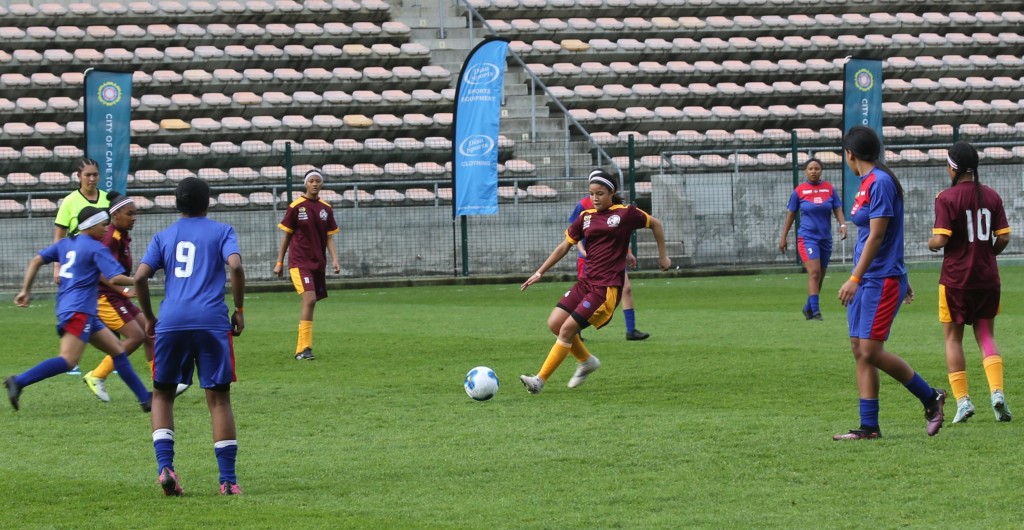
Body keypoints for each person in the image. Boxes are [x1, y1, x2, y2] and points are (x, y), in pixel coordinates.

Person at [134, 177, 246, 496]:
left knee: (163, 395)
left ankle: (165, 467)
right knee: (219, 399)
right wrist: (238, 308)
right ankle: (227, 481)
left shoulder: (163, 236)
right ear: (207, 203)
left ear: (176, 203)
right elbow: (235, 267)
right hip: (211, 321)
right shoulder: (222, 231)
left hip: (171, 321)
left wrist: (150, 317)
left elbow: (141, 277)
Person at [834, 125, 946, 440]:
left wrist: (856, 277)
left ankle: (930, 397)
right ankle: (869, 427)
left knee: (870, 350)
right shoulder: (868, 181)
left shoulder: (880, 182)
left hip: (877, 279)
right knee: (860, 349)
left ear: (850, 154)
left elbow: (880, 234)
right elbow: (879, 235)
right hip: (873, 276)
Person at [519, 170, 671, 394]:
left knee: (568, 329)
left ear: (612, 193)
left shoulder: (625, 213)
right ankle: (587, 361)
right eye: (592, 194)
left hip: (605, 287)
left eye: (600, 193)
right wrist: (540, 272)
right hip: (586, 282)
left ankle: (539, 380)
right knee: (554, 323)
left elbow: (656, 224)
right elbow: (564, 246)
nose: (595, 198)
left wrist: (663, 255)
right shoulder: (586, 217)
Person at [4, 207, 152, 412]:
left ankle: (145, 399)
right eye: (103, 225)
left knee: (118, 351)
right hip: (79, 311)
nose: (105, 229)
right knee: (68, 360)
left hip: (75, 309)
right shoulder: (96, 247)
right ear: (90, 226)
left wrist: (25, 291)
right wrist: (141, 279)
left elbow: (36, 260)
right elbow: (115, 278)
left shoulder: (66, 244)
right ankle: (18, 381)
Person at [927, 141, 1012, 423]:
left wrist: (931, 243)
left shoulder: (946, 197)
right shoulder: (991, 195)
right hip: (987, 278)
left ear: (953, 167)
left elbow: (941, 239)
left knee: (953, 339)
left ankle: (963, 401)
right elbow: (1004, 237)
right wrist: (987, 254)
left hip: (955, 279)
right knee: (986, 335)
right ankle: (997, 393)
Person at [82, 192, 189, 402]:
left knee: (151, 333)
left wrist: (124, 289)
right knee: (136, 337)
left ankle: (163, 383)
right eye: (129, 214)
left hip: (117, 297)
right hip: (104, 298)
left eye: (135, 214)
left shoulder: (120, 236)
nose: (134, 218)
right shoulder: (109, 238)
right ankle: (97, 375)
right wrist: (130, 285)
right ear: (115, 215)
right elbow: (101, 272)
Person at [272, 169, 340, 361]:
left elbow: (329, 237)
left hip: (318, 263)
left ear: (322, 184)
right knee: (309, 299)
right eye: (311, 181)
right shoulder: (296, 206)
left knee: (311, 301)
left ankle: (302, 349)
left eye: (318, 181)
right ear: (305, 184)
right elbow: (287, 237)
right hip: (299, 262)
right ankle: (304, 348)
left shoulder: (326, 208)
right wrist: (279, 262)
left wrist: (335, 259)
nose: (315, 184)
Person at [569, 190, 649, 341]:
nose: (595, 196)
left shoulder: (614, 206)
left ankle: (631, 330)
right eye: (592, 191)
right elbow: (574, 232)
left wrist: (628, 252)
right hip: (590, 259)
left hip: (613, 260)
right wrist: (581, 250)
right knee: (584, 292)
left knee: (626, 288)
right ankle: (574, 330)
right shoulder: (583, 205)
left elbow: (618, 233)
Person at [779, 158, 848, 320]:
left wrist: (843, 225)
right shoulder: (799, 191)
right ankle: (816, 312)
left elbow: (837, 208)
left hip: (825, 238)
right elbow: (791, 214)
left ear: (821, 170)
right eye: (810, 168)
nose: (813, 171)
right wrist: (783, 237)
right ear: (805, 171)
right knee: (815, 272)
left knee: (820, 275)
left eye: (817, 168)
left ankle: (808, 307)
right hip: (807, 238)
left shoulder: (829, 189)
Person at [53, 158, 110, 284]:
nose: (92, 179)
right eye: (87, 175)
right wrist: (57, 267)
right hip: (78, 264)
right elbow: (59, 238)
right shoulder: (69, 201)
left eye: (95, 174)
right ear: (79, 176)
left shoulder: (107, 199)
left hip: (103, 261)